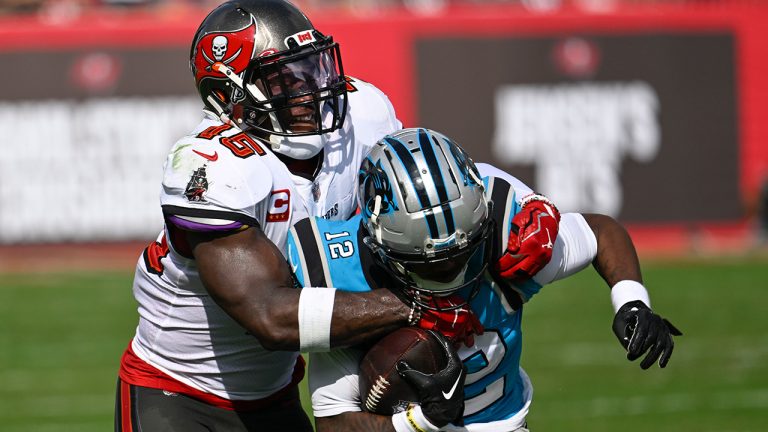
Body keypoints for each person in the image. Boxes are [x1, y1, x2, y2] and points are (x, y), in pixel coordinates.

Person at [114, 2, 495, 431]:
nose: (309, 91)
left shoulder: (363, 113)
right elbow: (268, 316)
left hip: (277, 392)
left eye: (311, 68)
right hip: (177, 390)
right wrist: (413, 307)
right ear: (226, 96)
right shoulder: (211, 164)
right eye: (282, 79)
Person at [287, 128, 683, 432]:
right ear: (379, 245)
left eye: (461, 253)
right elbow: (334, 423)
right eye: (430, 263)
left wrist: (631, 300)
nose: (450, 272)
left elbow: (600, 233)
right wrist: (420, 421)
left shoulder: (504, 241)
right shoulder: (347, 281)